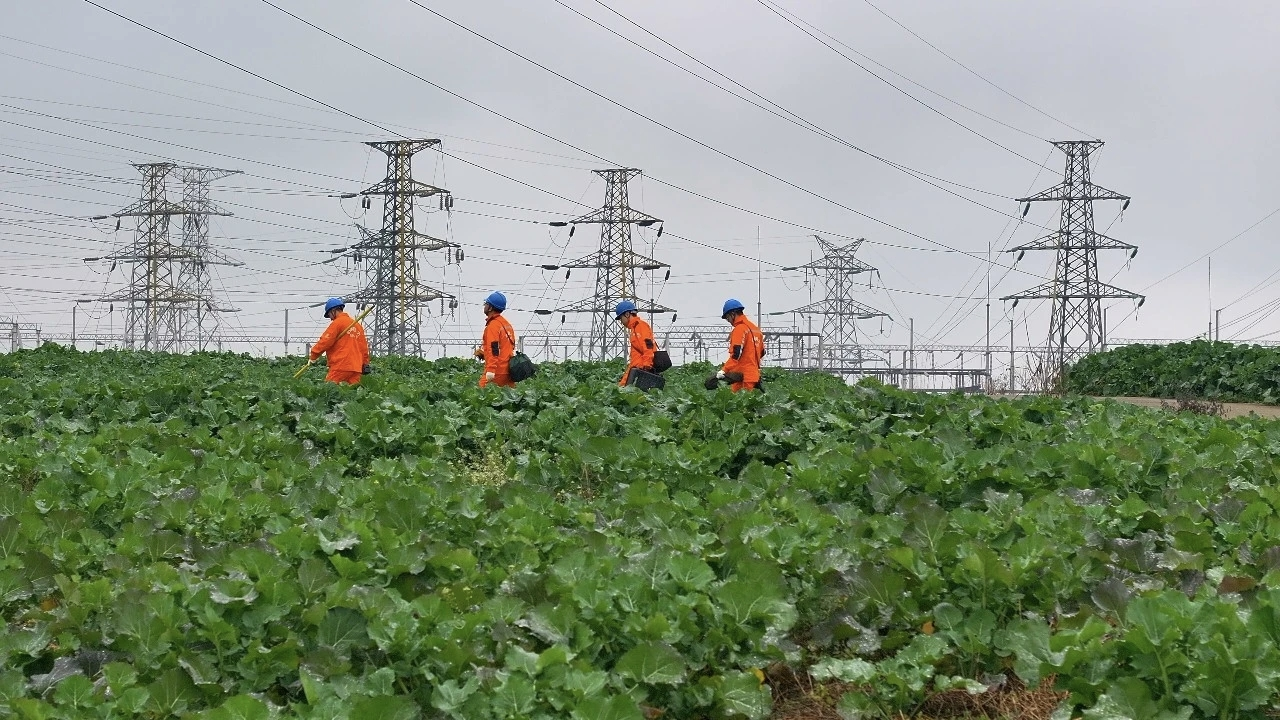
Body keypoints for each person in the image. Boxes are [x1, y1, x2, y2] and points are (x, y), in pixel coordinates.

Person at [708, 298, 765, 392]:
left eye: (727, 318)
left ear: (733, 314)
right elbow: (762, 352)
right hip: (754, 376)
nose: (728, 321)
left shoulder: (740, 329)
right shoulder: (756, 330)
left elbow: (736, 354)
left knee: (739, 404)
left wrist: (724, 371)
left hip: (742, 377)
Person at [309, 298, 370, 385]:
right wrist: (365, 363)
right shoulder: (357, 326)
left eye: (329, 314)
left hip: (341, 365)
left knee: (328, 390)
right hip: (356, 368)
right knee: (352, 395)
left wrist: (314, 355)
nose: (330, 318)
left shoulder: (337, 323)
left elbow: (325, 341)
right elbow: (364, 348)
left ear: (333, 311)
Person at [475, 291, 516, 388]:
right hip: (509, 372)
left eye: (486, 304)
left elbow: (494, 349)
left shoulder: (493, 326)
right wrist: (483, 353)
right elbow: (508, 347)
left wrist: (491, 370)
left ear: (490, 308)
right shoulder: (507, 325)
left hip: (497, 371)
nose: (484, 306)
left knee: (480, 394)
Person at [616, 300, 656, 387]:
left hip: (641, 370)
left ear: (627, 314)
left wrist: (646, 367)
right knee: (621, 388)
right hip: (636, 368)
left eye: (620, 318)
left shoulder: (640, 326)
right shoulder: (634, 328)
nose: (621, 322)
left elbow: (648, 347)